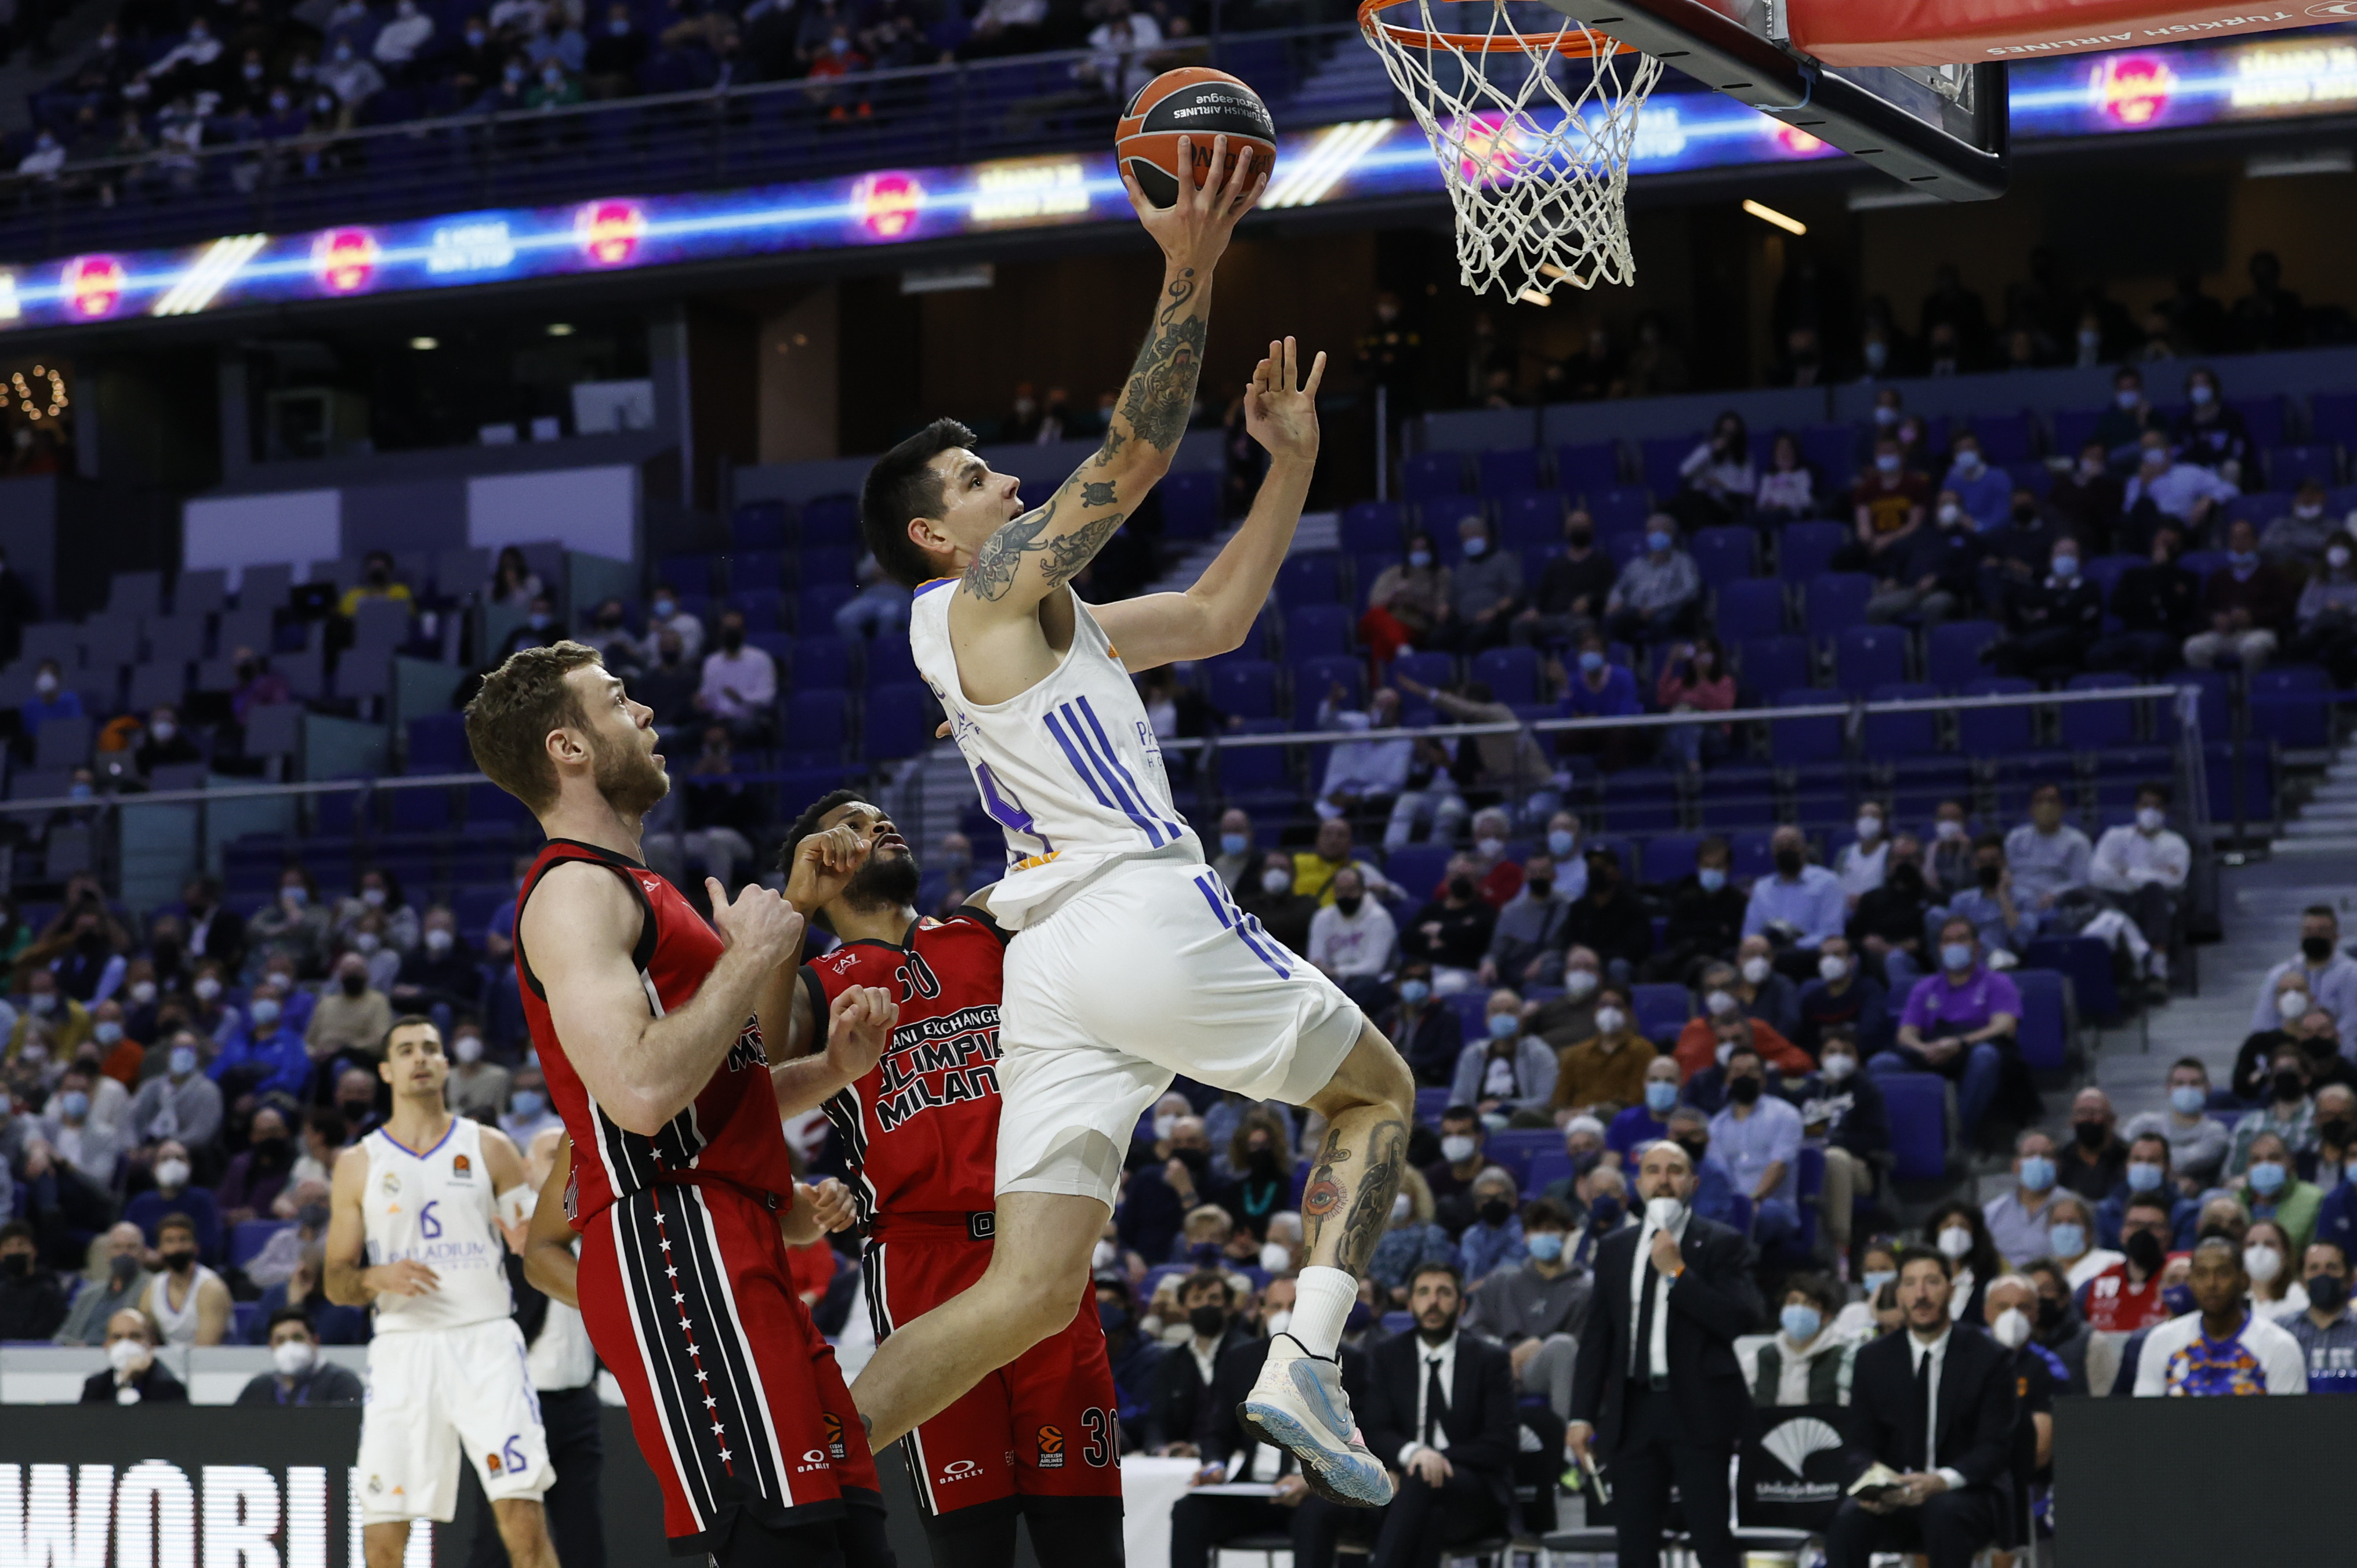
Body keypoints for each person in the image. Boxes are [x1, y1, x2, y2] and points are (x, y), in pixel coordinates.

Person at [465, 643, 897, 1565]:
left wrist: (829, 1070)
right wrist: (747, 960)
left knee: (851, 1537)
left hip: (735, 1231)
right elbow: (640, 1093)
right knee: (773, 1541)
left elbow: (714, 1089)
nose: (649, 715)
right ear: (569, 748)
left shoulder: (643, 887)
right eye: (620, 703)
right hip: (676, 1238)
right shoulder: (573, 891)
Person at [767, 790, 1126, 1560]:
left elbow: (1084, 855)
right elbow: (755, 1054)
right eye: (852, 826)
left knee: (1088, 1543)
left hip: (1039, 1247)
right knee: (973, 1547)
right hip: (921, 1261)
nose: (880, 825)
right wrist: (794, 907)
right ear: (820, 861)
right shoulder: (818, 980)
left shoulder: (988, 925)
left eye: (881, 817)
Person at [320, 1018, 559, 1568]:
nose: (420, 1058)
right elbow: (336, 1280)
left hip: (486, 1343)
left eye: (431, 1048)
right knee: (383, 1538)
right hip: (405, 1346)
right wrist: (375, 1278)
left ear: (447, 1065)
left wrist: (534, 1237)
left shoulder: (491, 1147)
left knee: (523, 1520)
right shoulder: (359, 1164)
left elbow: (534, 1243)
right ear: (386, 1070)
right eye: (406, 1050)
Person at [1567, 1138, 1763, 1568]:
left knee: (1712, 1540)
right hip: (1633, 1411)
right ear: (1638, 1184)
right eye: (1653, 1171)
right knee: (1635, 1546)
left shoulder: (1722, 1242)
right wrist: (1581, 1415)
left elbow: (1739, 1319)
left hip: (1699, 1409)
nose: (1664, 1180)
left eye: (1674, 1171)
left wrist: (1677, 1273)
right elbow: (1598, 1337)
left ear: (1692, 1182)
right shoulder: (1616, 1249)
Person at [1823, 1250, 2015, 1568]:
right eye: (1910, 1284)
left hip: (1967, 1493)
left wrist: (1941, 1481)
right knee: (1847, 1522)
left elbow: (1995, 1447)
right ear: (1899, 1294)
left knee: (1943, 1513)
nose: (1921, 1295)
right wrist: (1875, 1483)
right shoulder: (1873, 1359)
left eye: (1932, 1282)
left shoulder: (1990, 1359)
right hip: (1894, 1497)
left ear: (1951, 1290)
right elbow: (1858, 1443)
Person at [1163, 1326, 1366, 1568]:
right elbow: (1219, 1432)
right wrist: (1215, 1465)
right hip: (1255, 1490)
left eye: (1293, 1306)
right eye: (1276, 1307)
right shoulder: (1240, 1359)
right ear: (1262, 1312)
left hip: (1315, 1493)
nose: (1285, 1315)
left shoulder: (1348, 1362)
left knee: (1316, 1516)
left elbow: (1359, 1441)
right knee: (1189, 1513)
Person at [1361, 1262, 1518, 1568]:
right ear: (1410, 1305)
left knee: (1421, 1478)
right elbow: (1375, 1428)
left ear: (1461, 1305)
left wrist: (1435, 1458)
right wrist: (1413, 1454)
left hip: (1473, 1494)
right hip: (1410, 1492)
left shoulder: (1489, 1360)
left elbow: (1501, 1443)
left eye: (1443, 1293)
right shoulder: (1387, 1356)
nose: (1432, 1302)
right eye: (1423, 1293)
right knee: (1428, 1516)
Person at [1883, 920, 2017, 1137]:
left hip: (1974, 1049)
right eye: (1947, 941)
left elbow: (2005, 1026)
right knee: (1883, 1064)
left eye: (1961, 939)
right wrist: (1923, 1049)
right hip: (1932, 1052)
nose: (1954, 946)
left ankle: (1957, 1135)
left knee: (1986, 1056)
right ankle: (1906, 1137)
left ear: (1977, 947)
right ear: (1939, 948)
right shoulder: (1924, 987)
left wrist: (1961, 1043)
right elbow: (1906, 1033)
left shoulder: (1998, 982)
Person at [2131, 1236, 2306, 1395]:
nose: (2211, 1283)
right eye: (2201, 1274)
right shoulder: (2162, 1340)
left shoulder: (2279, 1346)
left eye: (2223, 1273)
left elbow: (2289, 1425)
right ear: (2191, 1282)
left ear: (2243, 1280)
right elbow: (2145, 1419)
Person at [1464, 1198, 1590, 1414]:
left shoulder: (1585, 1289)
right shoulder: (1501, 1281)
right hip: (1500, 1366)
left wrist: (1539, 1347)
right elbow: (1473, 1331)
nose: (1543, 1236)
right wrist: (1506, 1354)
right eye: (1536, 1230)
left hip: (1550, 1369)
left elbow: (1585, 1346)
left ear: (1567, 1233)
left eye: (1551, 1229)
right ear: (1525, 1236)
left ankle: (1571, 1441)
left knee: (1562, 1346)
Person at [1148, 1270, 1259, 1453]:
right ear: (1184, 1309)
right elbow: (1157, 1418)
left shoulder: (1249, 1354)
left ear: (1229, 1307)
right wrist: (1161, 1449)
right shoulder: (1172, 1360)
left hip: (1235, 1456)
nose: (1206, 1305)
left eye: (1214, 1298)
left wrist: (1202, 1450)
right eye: (1197, 1299)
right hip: (1182, 1459)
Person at [1801, 1030, 1886, 1266]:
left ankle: (1841, 1247)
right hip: (1810, 1162)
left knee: (1834, 1158)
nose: (1839, 1057)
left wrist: (1837, 1141)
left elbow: (1878, 1138)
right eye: (1832, 1052)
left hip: (1856, 1167)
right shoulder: (1805, 1090)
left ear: (1857, 1058)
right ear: (1820, 1056)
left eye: (1846, 1052)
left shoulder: (1866, 1090)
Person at [1708, 1045, 1804, 1253]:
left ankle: (1739, 1271)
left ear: (1763, 1079)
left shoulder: (1785, 1115)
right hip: (1731, 1208)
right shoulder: (1716, 1126)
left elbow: (1779, 1166)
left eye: (1751, 1071)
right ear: (1727, 1079)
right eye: (1737, 1072)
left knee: (1754, 1216)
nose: (1744, 1077)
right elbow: (1719, 1175)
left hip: (1774, 1207)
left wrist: (1754, 1200)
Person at [2184, 517, 2296, 671]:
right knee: (2194, 647)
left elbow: (2286, 609)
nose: (2239, 543)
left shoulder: (2272, 575)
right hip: (2225, 633)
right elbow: (2203, 608)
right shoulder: (2219, 577)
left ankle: (2250, 691)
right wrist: (2215, 618)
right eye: (2234, 538)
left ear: (2256, 542)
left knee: (2253, 647)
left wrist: (2253, 617)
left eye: (2245, 537)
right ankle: (2216, 690)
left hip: (2259, 631)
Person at [1746, 1273, 1857, 1406]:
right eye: (1793, 1302)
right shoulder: (1759, 1360)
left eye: (1809, 1304)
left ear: (1825, 1316)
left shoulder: (1843, 1359)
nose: (1799, 1309)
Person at [1549, 984, 1652, 1121]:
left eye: (1617, 1006)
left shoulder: (1642, 1050)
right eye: (1604, 1005)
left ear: (1629, 1012)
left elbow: (1637, 1099)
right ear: (1595, 1011)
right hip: (1575, 1122)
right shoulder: (1574, 1053)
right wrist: (1562, 1114)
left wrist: (1592, 1111)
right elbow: (1560, 1100)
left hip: (1619, 1120)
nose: (1609, 1011)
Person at [2123, 1057, 2232, 1186]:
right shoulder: (2143, 1124)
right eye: (2180, 1084)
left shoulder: (2216, 1133)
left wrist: (2145, 1158)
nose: (2187, 1089)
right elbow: (2122, 1154)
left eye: (2195, 1083)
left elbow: (2186, 1163)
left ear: (2208, 1088)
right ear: (2169, 1088)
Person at [1743, 827, 1845, 964]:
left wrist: (1795, 945)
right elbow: (1750, 933)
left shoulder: (1827, 882)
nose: (1786, 850)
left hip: (1810, 954)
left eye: (1792, 845)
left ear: (1805, 848)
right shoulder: (1762, 887)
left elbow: (1831, 933)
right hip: (1769, 955)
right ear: (1773, 852)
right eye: (1780, 846)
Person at [1452, 993, 1555, 1126]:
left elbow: (1546, 1100)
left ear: (1522, 1019)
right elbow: (1458, 1099)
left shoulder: (1539, 1053)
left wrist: (1503, 1107)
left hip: (1520, 1118)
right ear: (1486, 1020)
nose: (1503, 1016)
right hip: (1478, 1119)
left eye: (1510, 1011)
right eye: (1496, 1012)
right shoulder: (1473, 1054)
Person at [2251, 905, 2357, 1034]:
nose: (2315, 935)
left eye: (2322, 930)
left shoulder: (2351, 974)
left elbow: (2352, 1024)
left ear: (2336, 936)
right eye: (2308, 930)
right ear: (2301, 934)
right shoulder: (2279, 975)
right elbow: (2264, 1022)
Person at [235, 1307, 367, 1405]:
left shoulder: (341, 1382)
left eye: (297, 1338)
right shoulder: (259, 1387)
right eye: (280, 1340)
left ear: (315, 1341)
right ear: (271, 1346)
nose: (289, 1346)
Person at [1603, 518, 1701, 645]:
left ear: (1672, 535)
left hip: (1666, 609)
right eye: (1652, 530)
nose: (1657, 534)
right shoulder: (1636, 564)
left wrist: (1655, 607)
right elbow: (1619, 587)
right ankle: (1620, 659)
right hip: (1636, 609)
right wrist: (1614, 602)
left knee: (1662, 621)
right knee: (1612, 620)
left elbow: (1691, 590)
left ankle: (1659, 659)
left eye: (1663, 530)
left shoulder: (1683, 562)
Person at [1561, 847, 1652, 982]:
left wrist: (1597, 956)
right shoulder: (1579, 908)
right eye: (1592, 866)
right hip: (1582, 963)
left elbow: (1637, 947)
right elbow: (1567, 940)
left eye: (1602, 866)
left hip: (1612, 962)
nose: (1596, 870)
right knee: (1554, 967)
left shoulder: (1633, 907)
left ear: (1616, 872)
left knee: (1618, 967)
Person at [1481, 852, 1571, 988]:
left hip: (1549, 968)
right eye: (1533, 872)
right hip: (1516, 971)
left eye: (1544, 871)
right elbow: (1496, 951)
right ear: (1525, 876)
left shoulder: (1568, 907)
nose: (1539, 876)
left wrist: (1545, 959)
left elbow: (1567, 946)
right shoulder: (1510, 910)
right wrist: (1489, 963)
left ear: (1554, 875)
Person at [139, 1211, 231, 1345]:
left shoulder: (211, 1288)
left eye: (183, 1240)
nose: (177, 1248)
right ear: (159, 1249)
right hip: (167, 1362)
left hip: (212, 1363)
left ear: (196, 1247)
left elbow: (207, 1349)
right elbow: (144, 1337)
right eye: (170, 1241)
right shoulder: (153, 1288)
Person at [1796, 936, 1890, 1055]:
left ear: (1852, 961)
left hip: (1862, 1056)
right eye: (1825, 956)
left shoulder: (1868, 990)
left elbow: (1871, 1031)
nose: (1829, 961)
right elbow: (1808, 1039)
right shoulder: (1812, 999)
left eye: (1837, 955)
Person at [2287, 1241, 2357, 1394]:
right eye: (2314, 1268)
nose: (2323, 1275)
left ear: (2350, 1278)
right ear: (2302, 1281)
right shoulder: (2282, 1330)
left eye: (2332, 1268)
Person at [80, 1309, 190, 1405]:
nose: (125, 1344)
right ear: (106, 1345)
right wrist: (123, 1382)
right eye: (117, 1337)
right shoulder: (95, 1387)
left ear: (151, 1344)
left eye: (135, 1336)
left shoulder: (168, 1386)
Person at [1385, 964, 1463, 1088]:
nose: (1416, 983)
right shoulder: (1387, 1016)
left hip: (1424, 1078)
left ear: (1430, 986)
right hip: (1387, 1074)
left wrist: (1407, 1062)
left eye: (1423, 979)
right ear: (1397, 985)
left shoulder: (1445, 1017)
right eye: (1409, 978)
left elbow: (1445, 1055)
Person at [2059, 1087, 2128, 1200]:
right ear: (2072, 1122)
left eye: (2096, 1112)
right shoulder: (2061, 1160)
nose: (2088, 1119)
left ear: (2112, 1120)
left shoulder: (2129, 1156)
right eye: (2081, 1113)